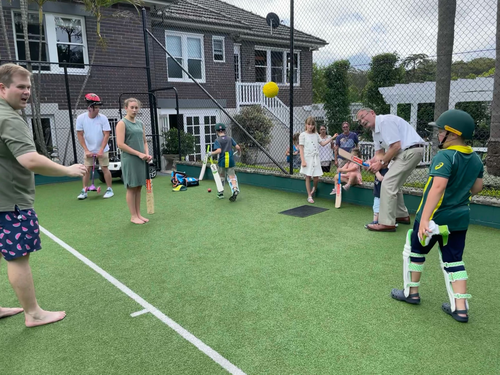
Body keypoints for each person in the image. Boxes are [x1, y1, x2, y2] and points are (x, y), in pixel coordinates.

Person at [0, 63, 86, 327]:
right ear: (2, 88)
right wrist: (68, 170)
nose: (26, 92)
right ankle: (33, 313)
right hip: (10, 201)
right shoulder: (9, 118)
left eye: (29, 87)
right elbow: (30, 159)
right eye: (20, 87)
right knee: (18, 257)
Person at [390, 109, 483, 323]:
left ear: (453, 133)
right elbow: (476, 187)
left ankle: (411, 293)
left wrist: (424, 219)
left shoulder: (445, 155)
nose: (438, 135)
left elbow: (438, 186)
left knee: (415, 251)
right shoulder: (475, 158)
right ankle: (460, 308)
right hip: (459, 220)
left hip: (434, 219)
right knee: (454, 260)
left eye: (441, 131)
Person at [356, 108, 425, 232]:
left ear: (372, 113)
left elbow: (396, 146)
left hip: (410, 151)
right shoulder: (374, 131)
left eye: (362, 116)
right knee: (394, 184)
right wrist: (371, 162)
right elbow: (379, 153)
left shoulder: (385, 121)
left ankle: (387, 223)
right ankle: (401, 216)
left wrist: (380, 163)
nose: (361, 121)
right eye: (359, 120)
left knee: (388, 183)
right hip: (404, 153)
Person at [115, 98, 152, 224]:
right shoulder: (122, 123)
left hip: (141, 159)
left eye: (136, 107)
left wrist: (146, 154)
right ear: (126, 108)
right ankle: (133, 216)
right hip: (130, 159)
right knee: (131, 187)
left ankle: (138, 214)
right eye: (132, 107)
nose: (134, 110)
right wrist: (139, 154)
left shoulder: (140, 123)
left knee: (138, 187)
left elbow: (144, 141)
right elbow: (120, 144)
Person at [76, 92, 114, 200]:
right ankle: (84, 190)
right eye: (95, 107)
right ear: (89, 108)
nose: (98, 109)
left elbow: (107, 134)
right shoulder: (81, 118)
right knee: (87, 169)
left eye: (98, 107)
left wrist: (101, 150)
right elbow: (80, 135)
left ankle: (109, 189)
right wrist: (86, 150)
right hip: (89, 149)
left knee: (105, 168)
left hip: (103, 149)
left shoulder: (103, 118)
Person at [299, 116, 335, 204]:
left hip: (316, 158)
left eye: (312, 125)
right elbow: (301, 148)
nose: (310, 126)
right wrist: (303, 160)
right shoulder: (302, 135)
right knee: (308, 176)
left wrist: (332, 138)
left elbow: (322, 143)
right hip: (307, 158)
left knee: (316, 177)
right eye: (309, 124)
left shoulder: (316, 135)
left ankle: (314, 188)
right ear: (306, 125)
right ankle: (309, 195)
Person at [207, 123, 241, 201]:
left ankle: (220, 193)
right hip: (230, 161)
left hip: (222, 161)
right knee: (232, 176)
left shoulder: (217, 140)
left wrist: (211, 153)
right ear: (225, 130)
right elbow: (238, 147)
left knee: (221, 177)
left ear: (216, 131)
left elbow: (219, 150)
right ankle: (235, 189)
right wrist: (239, 153)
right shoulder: (230, 138)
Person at [364, 155, 389, 228]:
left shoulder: (386, 170)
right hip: (377, 194)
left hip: (383, 194)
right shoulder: (379, 170)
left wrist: (376, 171)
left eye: (379, 162)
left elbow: (381, 178)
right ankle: (375, 220)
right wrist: (368, 164)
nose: (377, 163)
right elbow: (366, 168)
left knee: (385, 209)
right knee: (376, 208)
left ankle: (378, 221)